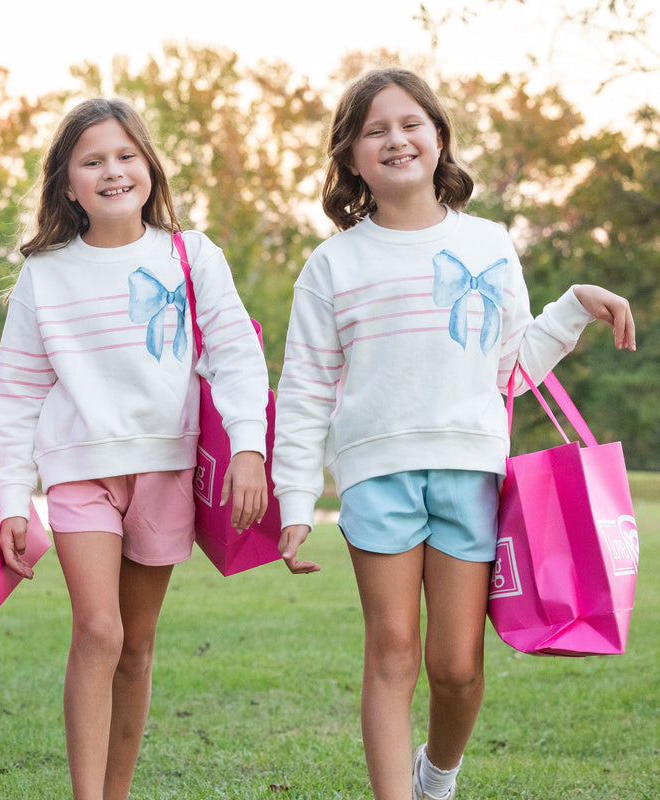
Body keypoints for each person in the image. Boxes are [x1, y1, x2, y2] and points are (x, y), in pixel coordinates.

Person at [271, 67, 636, 800]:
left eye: (411, 124)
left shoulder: (491, 244)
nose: (396, 139)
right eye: (374, 130)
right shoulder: (331, 264)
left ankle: (436, 776)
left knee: (457, 666)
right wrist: (294, 499)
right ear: (349, 156)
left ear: (439, 138)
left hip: (472, 471)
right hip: (376, 475)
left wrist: (571, 307)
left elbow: (510, 367)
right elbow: (305, 388)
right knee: (392, 652)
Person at [0, 98, 271, 800]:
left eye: (124, 155)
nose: (112, 171)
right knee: (99, 628)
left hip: (166, 470)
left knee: (137, 644)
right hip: (79, 472)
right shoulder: (44, 274)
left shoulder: (191, 253)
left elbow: (236, 356)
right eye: (92, 161)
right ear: (67, 183)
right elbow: (16, 394)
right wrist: (9, 498)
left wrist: (248, 448)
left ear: (149, 165)